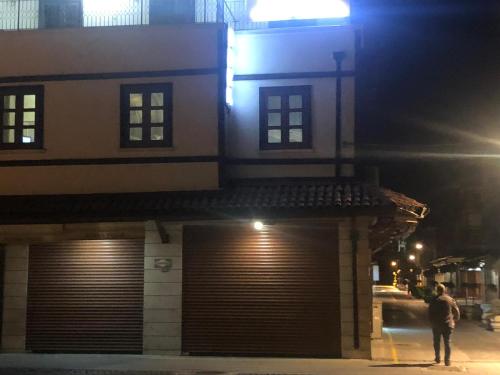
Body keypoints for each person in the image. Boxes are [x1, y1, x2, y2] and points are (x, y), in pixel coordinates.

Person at [428, 283, 460, 366]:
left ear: (437, 290)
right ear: (444, 290)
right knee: (447, 342)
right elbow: (456, 311)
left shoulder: (434, 300)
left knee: (436, 342)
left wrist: (431, 321)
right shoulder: (450, 299)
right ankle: (447, 360)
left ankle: (437, 357)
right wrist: (455, 319)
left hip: (436, 324)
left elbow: (430, 312)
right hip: (448, 324)